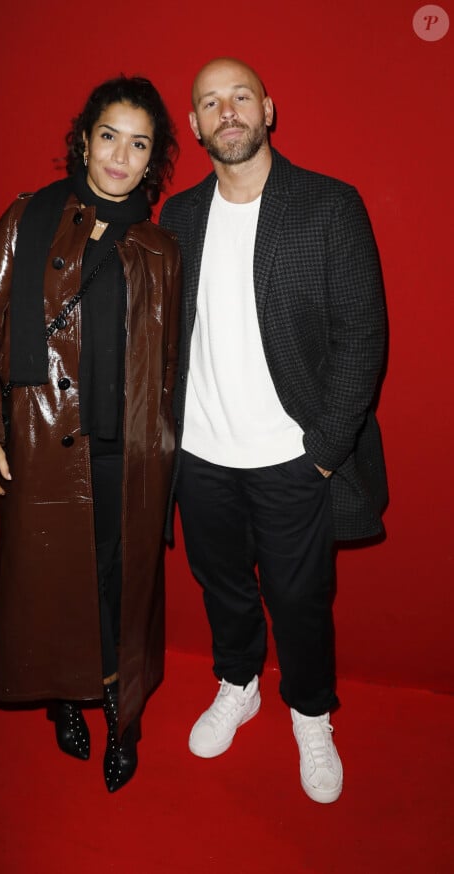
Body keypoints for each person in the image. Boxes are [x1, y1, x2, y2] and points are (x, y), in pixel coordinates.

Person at [160, 57, 387, 804]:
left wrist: (321, 456)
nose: (227, 111)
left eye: (240, 97)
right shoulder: (180, 216)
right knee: (221, 586)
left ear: (268, 109)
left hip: (292, 459)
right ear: (193, 126)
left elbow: (363, 337)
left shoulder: (329, 205)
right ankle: (238, 683)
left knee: (299, 600)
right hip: (200, 456)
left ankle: (312, 714)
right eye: (209, 103)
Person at [0, 75, 181, 793]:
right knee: (54, 584)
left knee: (118, 585)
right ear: (85, 140)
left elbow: (173, 362)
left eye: (138, 144)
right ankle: (63, 695)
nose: (120, 155)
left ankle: (119, 707)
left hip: (131, 453)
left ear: (152, 161)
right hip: (45, 446)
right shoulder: (30, 217)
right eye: (109, 135)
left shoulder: (161, 249)